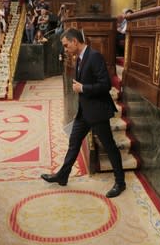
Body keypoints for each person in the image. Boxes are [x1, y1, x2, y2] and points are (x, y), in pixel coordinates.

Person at [41, 28, 126, 198]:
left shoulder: (94, 56)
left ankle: (120, 182)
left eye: (66, 45)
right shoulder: (79, 58)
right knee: (74, 143)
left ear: (74, 41)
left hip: (97, 111)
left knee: (109, 146)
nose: (65, 49)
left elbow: (105, 85)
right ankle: (62, 176)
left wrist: (83, 88)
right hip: (84, 112)